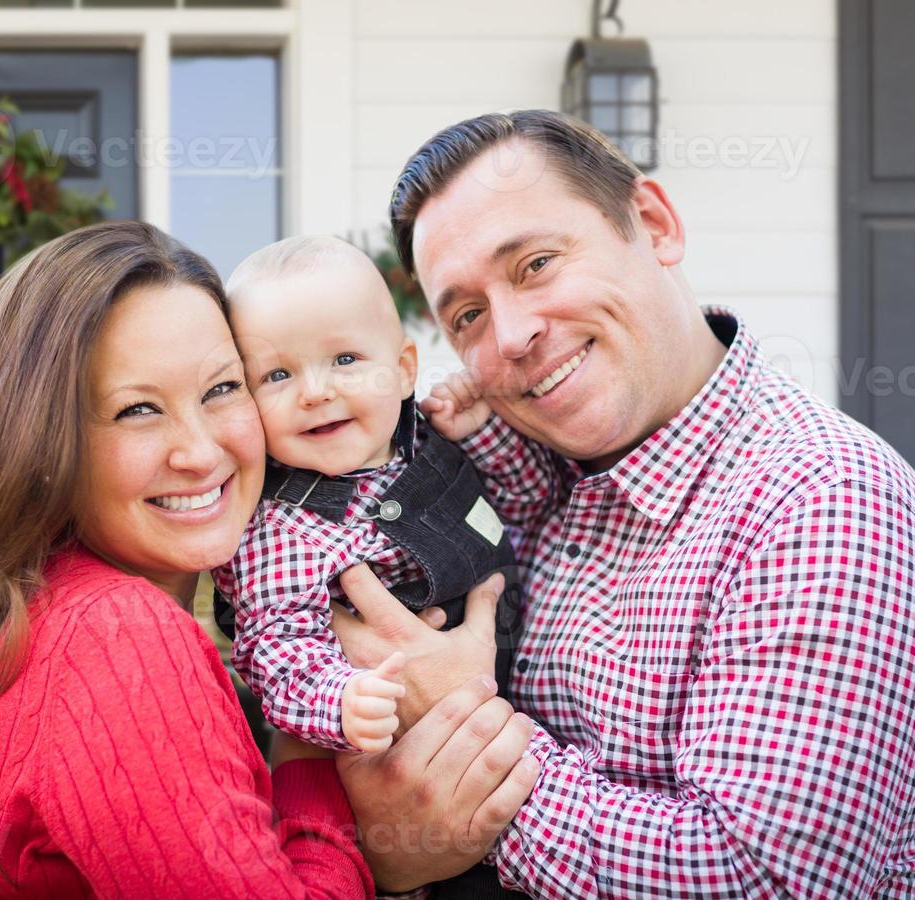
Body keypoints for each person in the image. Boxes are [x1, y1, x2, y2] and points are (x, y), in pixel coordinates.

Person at [0, 220, 540, 898]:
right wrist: (360, 825)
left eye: (219, 389)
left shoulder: (59, 603)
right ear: (43, 444)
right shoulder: (120, 637)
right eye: (137, 410)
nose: (201, 452)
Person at [332, 110, 915, 897]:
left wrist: (464, 748)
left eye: (535, 263)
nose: (508, 334)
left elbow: (765, 880)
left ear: (653, 224)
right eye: (465, 314)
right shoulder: (509, 478)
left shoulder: (818, 496)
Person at [211, 234, 519, 756]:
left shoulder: (430, 437)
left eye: (345, 359)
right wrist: (340, 699)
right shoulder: (282, 528)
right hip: (406, 741)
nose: (315, 391)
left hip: (522, 690)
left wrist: (483, 432)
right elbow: (276, 649)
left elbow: (525, 503)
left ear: (402, 370)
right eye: (277, 374)